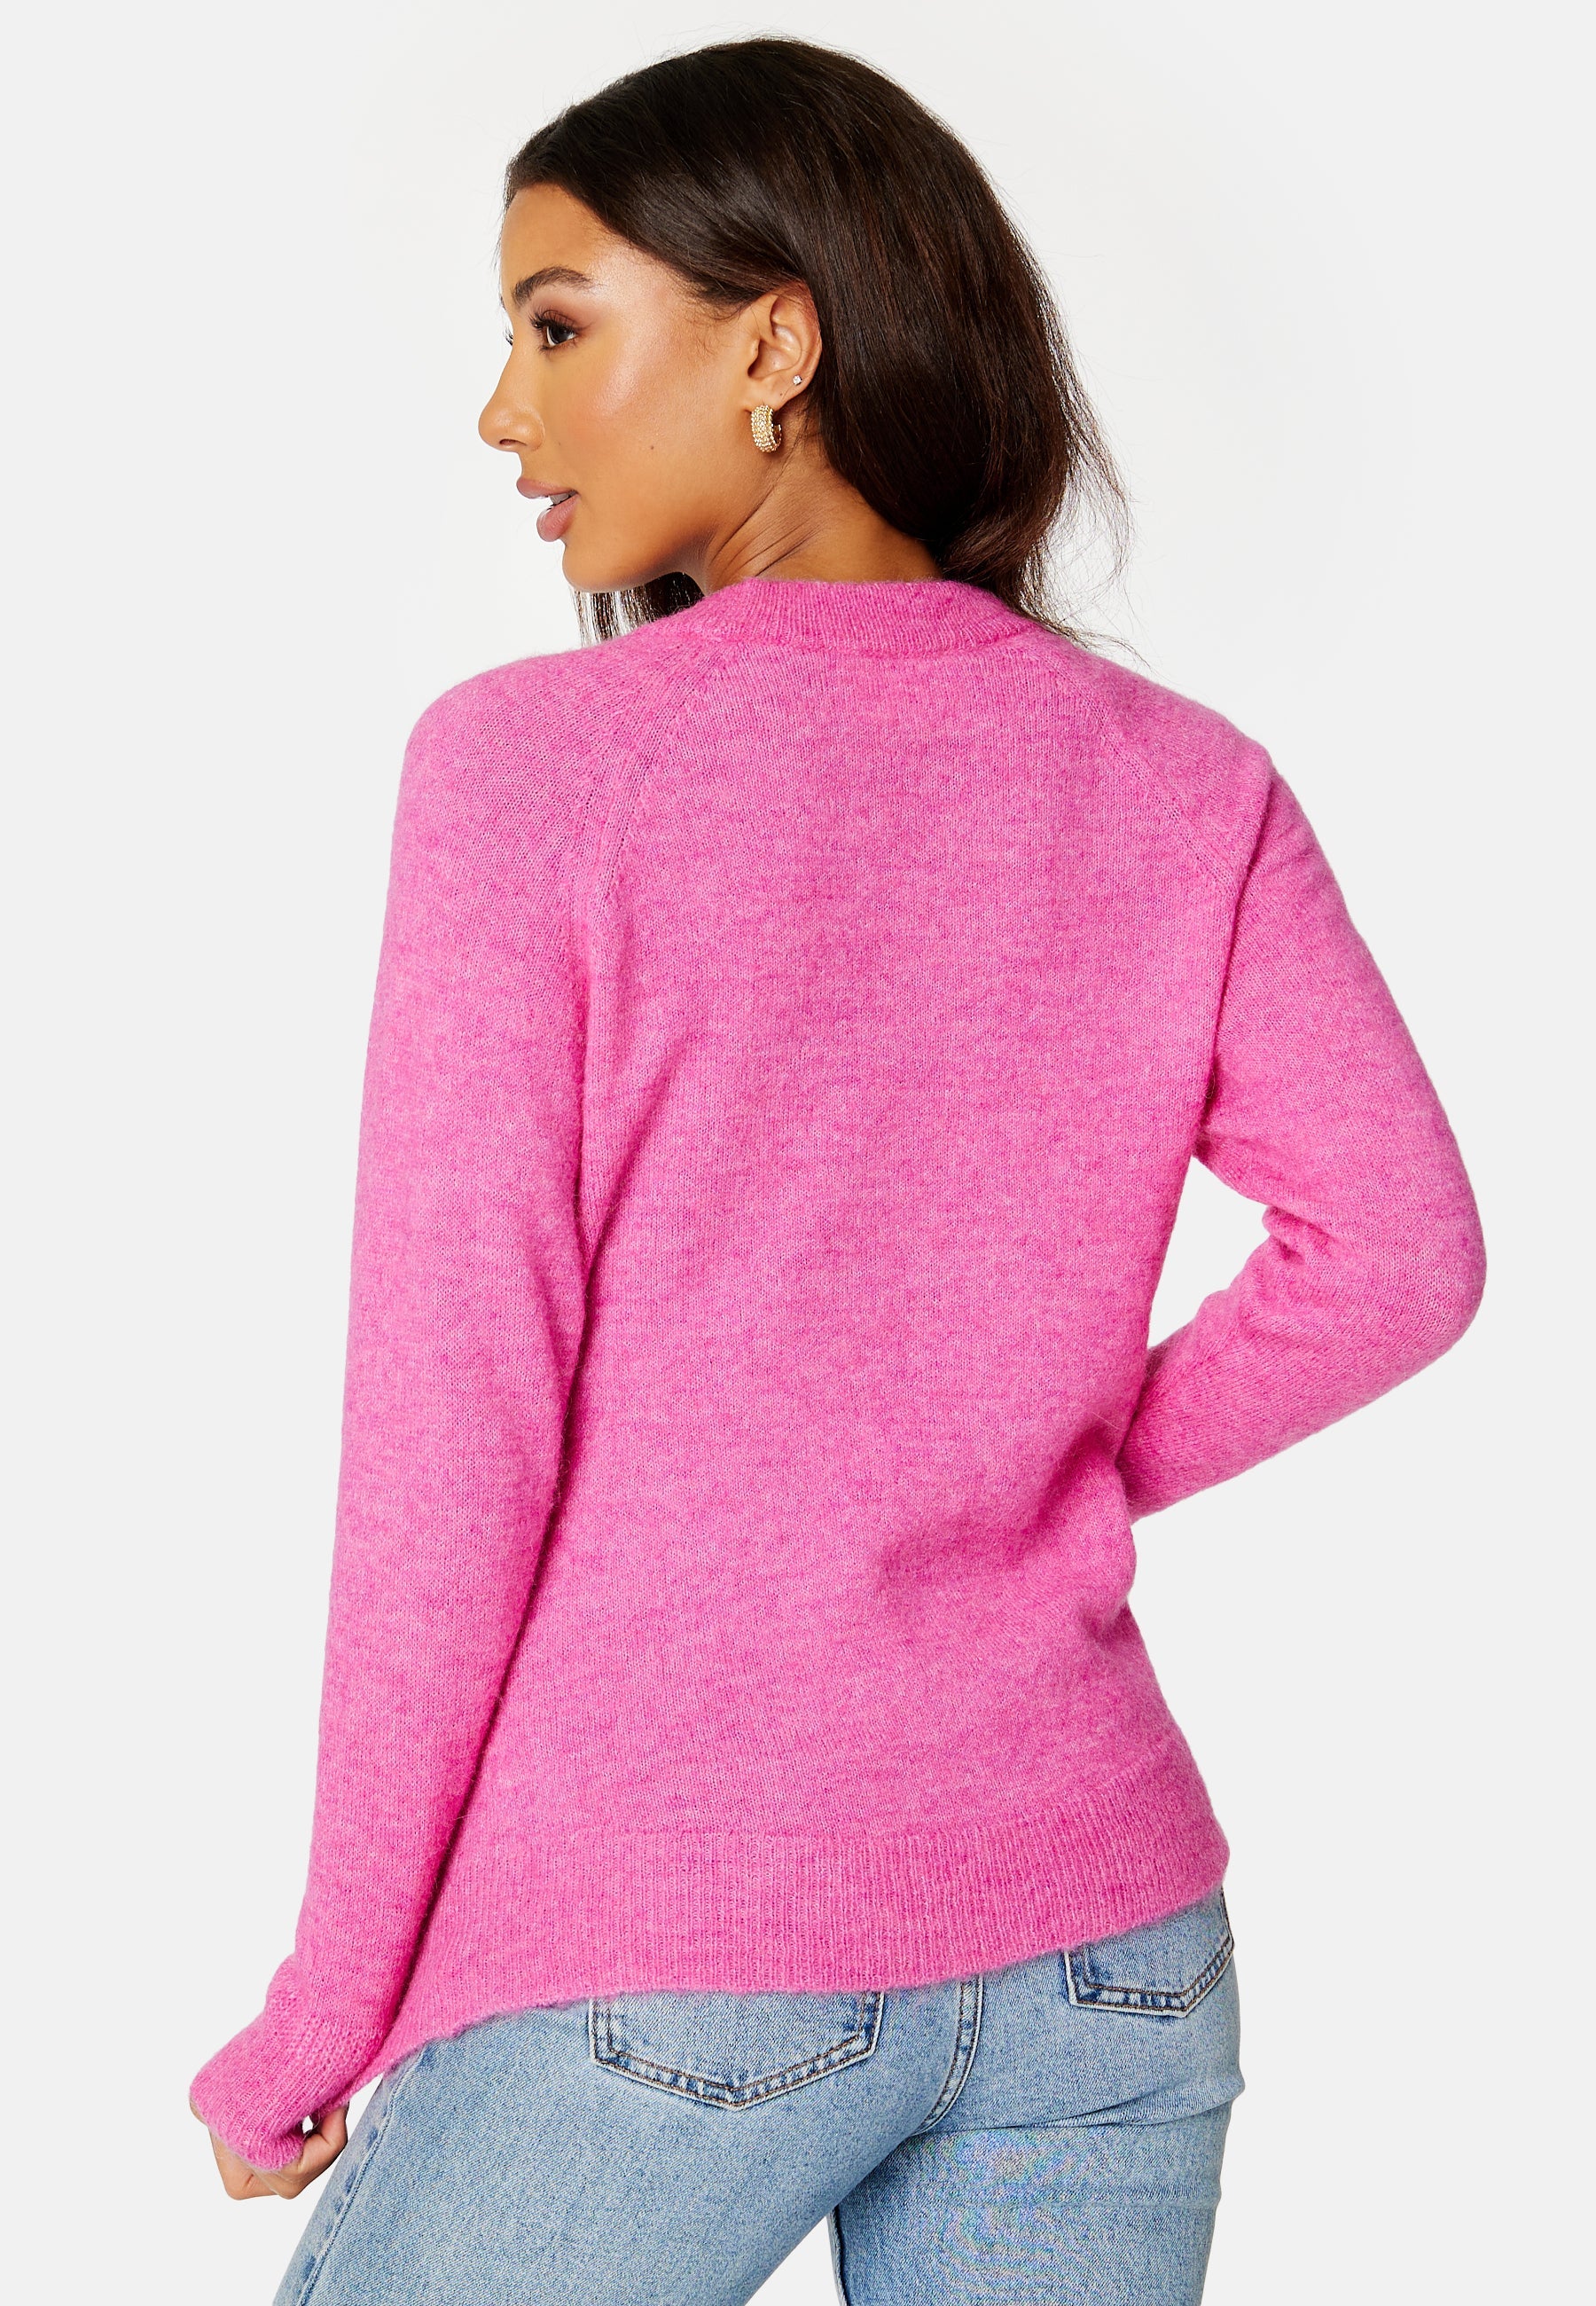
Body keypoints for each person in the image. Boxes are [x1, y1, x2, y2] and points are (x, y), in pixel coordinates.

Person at [190, 36, 1485, 2306]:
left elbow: (454, 1435)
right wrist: (1047, 1460)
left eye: (558, 326)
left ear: (775, 345)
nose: (503, 412)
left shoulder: (528, 776)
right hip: (1109, 1954)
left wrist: (328, 2002)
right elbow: (1402, 1253)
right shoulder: (1182, 781)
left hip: (669, 1937)